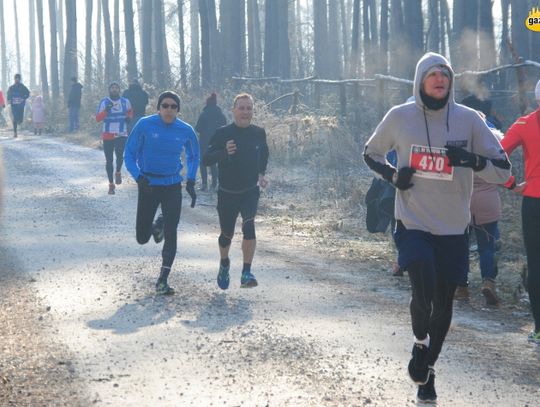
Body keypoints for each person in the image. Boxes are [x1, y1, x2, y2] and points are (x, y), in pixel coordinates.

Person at [363, 52, 511, 403]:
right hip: (412, 221)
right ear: (420, 81)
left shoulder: (470, 120)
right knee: (423, 286)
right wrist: (394, 176)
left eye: (445, 74)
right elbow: (371, 153)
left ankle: (427, 369)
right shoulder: (400, 116)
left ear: (451, 81)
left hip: (453, 228)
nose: (440, 79)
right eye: (432, 74)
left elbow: (503, 170)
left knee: (444, 304)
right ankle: (419, 341)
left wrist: (472, 161)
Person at [124, 91, 199, 295]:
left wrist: (191, 179)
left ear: (178, 110)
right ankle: (158, 225)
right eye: (165, 105)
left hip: (172, 184)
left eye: (173, 106)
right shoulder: (145, 125)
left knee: (172, 230)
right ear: (158, 107)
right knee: (142, 237)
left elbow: (194, 155)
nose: (168, 109)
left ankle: (163, 279)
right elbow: (128, 154)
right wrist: (139, 177)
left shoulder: (185, 130)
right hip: (148, 183)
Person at [203, 93, 269, 290]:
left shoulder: (259, 132)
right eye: (241, 108)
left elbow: (264, 152)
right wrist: (224, 152)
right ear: (233, 110)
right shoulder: (222, 133)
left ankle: (246, 272)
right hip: (227, 192)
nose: (245, 112)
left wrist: (261, 173)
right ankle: (224, 263)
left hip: (250, 190)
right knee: (227, 234)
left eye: (249, 108)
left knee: (249, 226)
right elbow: (206, 159)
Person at [500, 78, 540, 344]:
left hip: (534, 201)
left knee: (537, 264)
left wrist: (509, 183)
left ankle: (539, 328)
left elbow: (497, 152)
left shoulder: (525, 124)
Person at [96, 82, 133, 195]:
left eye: (116, 88)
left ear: (119, 90)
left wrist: (129, 118)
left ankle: (117, 172)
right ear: (109, 90)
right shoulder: (104, 102)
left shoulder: (125, 101)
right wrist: (106, 110)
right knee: (109, 160)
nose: (114, 89)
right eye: (112, 88)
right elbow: (98, 118)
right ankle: (111, 184)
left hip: (121, 133)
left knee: (120, 156)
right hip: (108, 134)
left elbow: (130, 112)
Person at [195, 92, 227, 191]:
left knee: (203, 162)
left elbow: (198, 128)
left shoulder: (204, 114)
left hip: (204, 141)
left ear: (207, 103)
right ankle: (214, 184)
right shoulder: (220, 114)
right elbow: (225, 125)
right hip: (216, 141)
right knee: (214, 162)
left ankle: (204, 184)